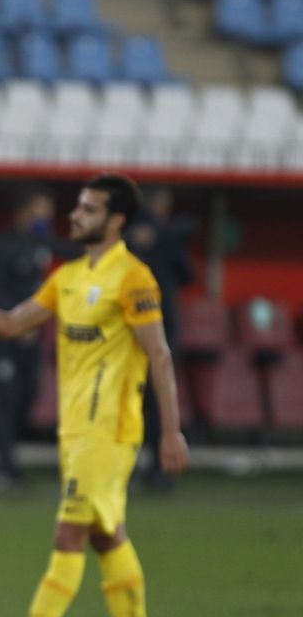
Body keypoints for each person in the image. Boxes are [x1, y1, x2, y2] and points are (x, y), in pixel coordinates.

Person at [0, 174, 188, 617]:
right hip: (75, 430)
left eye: (89, 209)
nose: (75, 216)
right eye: (78, 207)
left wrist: (171, 431)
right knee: (105, 536)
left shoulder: (134, 278)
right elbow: (12, 323)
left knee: (69, 531)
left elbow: (159, 354)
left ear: (116, 220)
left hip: (111, 429)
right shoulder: (69, 276)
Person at [0, 189, 78, 490]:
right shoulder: (4, 246)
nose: (43, 217)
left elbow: (74, 253)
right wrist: (17, 322)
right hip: (2, 335)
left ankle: (8, 454)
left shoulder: (42, 243)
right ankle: (4, 467)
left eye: (47, 211)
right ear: (22, 212)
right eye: (38, 210)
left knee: (29, 392)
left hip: (31, 335)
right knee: (7, 397)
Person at [126, 187, 194, 491]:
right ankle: (147, 470)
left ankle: (152, 469)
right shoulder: (129, 236)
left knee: (146, 402)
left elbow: (190, 233)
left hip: (146, 330)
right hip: (144, 330)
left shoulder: (159, 235)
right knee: (145, 401)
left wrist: (155, 234)